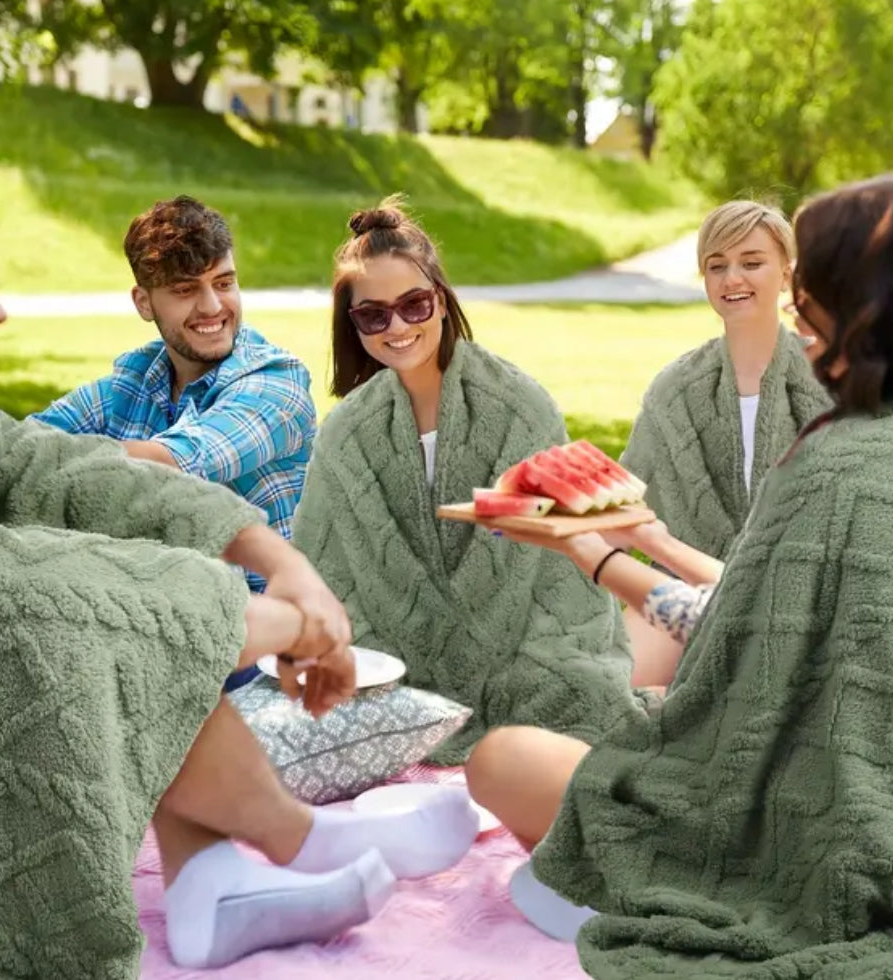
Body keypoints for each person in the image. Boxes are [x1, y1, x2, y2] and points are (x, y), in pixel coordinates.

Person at [0, 152, 479, 977]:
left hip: (245, 647)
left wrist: (282, 562)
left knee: (123, 615)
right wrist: (293, 621)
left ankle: (255, 861)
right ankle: (284, 846)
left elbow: (52, 464)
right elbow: (36, 599)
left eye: (224, 281)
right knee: (66, 645)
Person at [465, 174, 893, 979]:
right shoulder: (815, 438)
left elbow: (733, 638)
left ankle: (625, 889)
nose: (790, 307)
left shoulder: (832, 466)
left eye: (805, 289)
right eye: (718, 266)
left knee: (501, 759)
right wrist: (646, 535)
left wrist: (590, 552)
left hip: (802, 825)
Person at [291, 197, 643, 765]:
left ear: (441, 299)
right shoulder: (345, 433)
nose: (398, 326)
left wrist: (466, 659)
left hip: (525, 648)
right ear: (352, 325)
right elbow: (320, 569)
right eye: (374, 315)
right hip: (396, 658)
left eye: (414, 304)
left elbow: (544, 570)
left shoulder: (520, 406)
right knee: (309, 711)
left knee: (571, 699)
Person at [32, 196, 316, 688]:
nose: (212, 307)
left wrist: (46, 466)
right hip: (167, 632)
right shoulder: (134, 381)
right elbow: (23, 446)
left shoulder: (277, 383)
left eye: (223, 284)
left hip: (266, 654)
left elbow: (179, 463)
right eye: (186, 290)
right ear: (144, 302)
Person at [617, 200, 831, 663]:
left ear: (787, 274)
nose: (732, 278)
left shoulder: (834, 378)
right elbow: (621, 502)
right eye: (717, 266)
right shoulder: (673, 389)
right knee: (609, 689)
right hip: (689, 596)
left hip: (807, 606)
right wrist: (537, 524)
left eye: (752, 262)